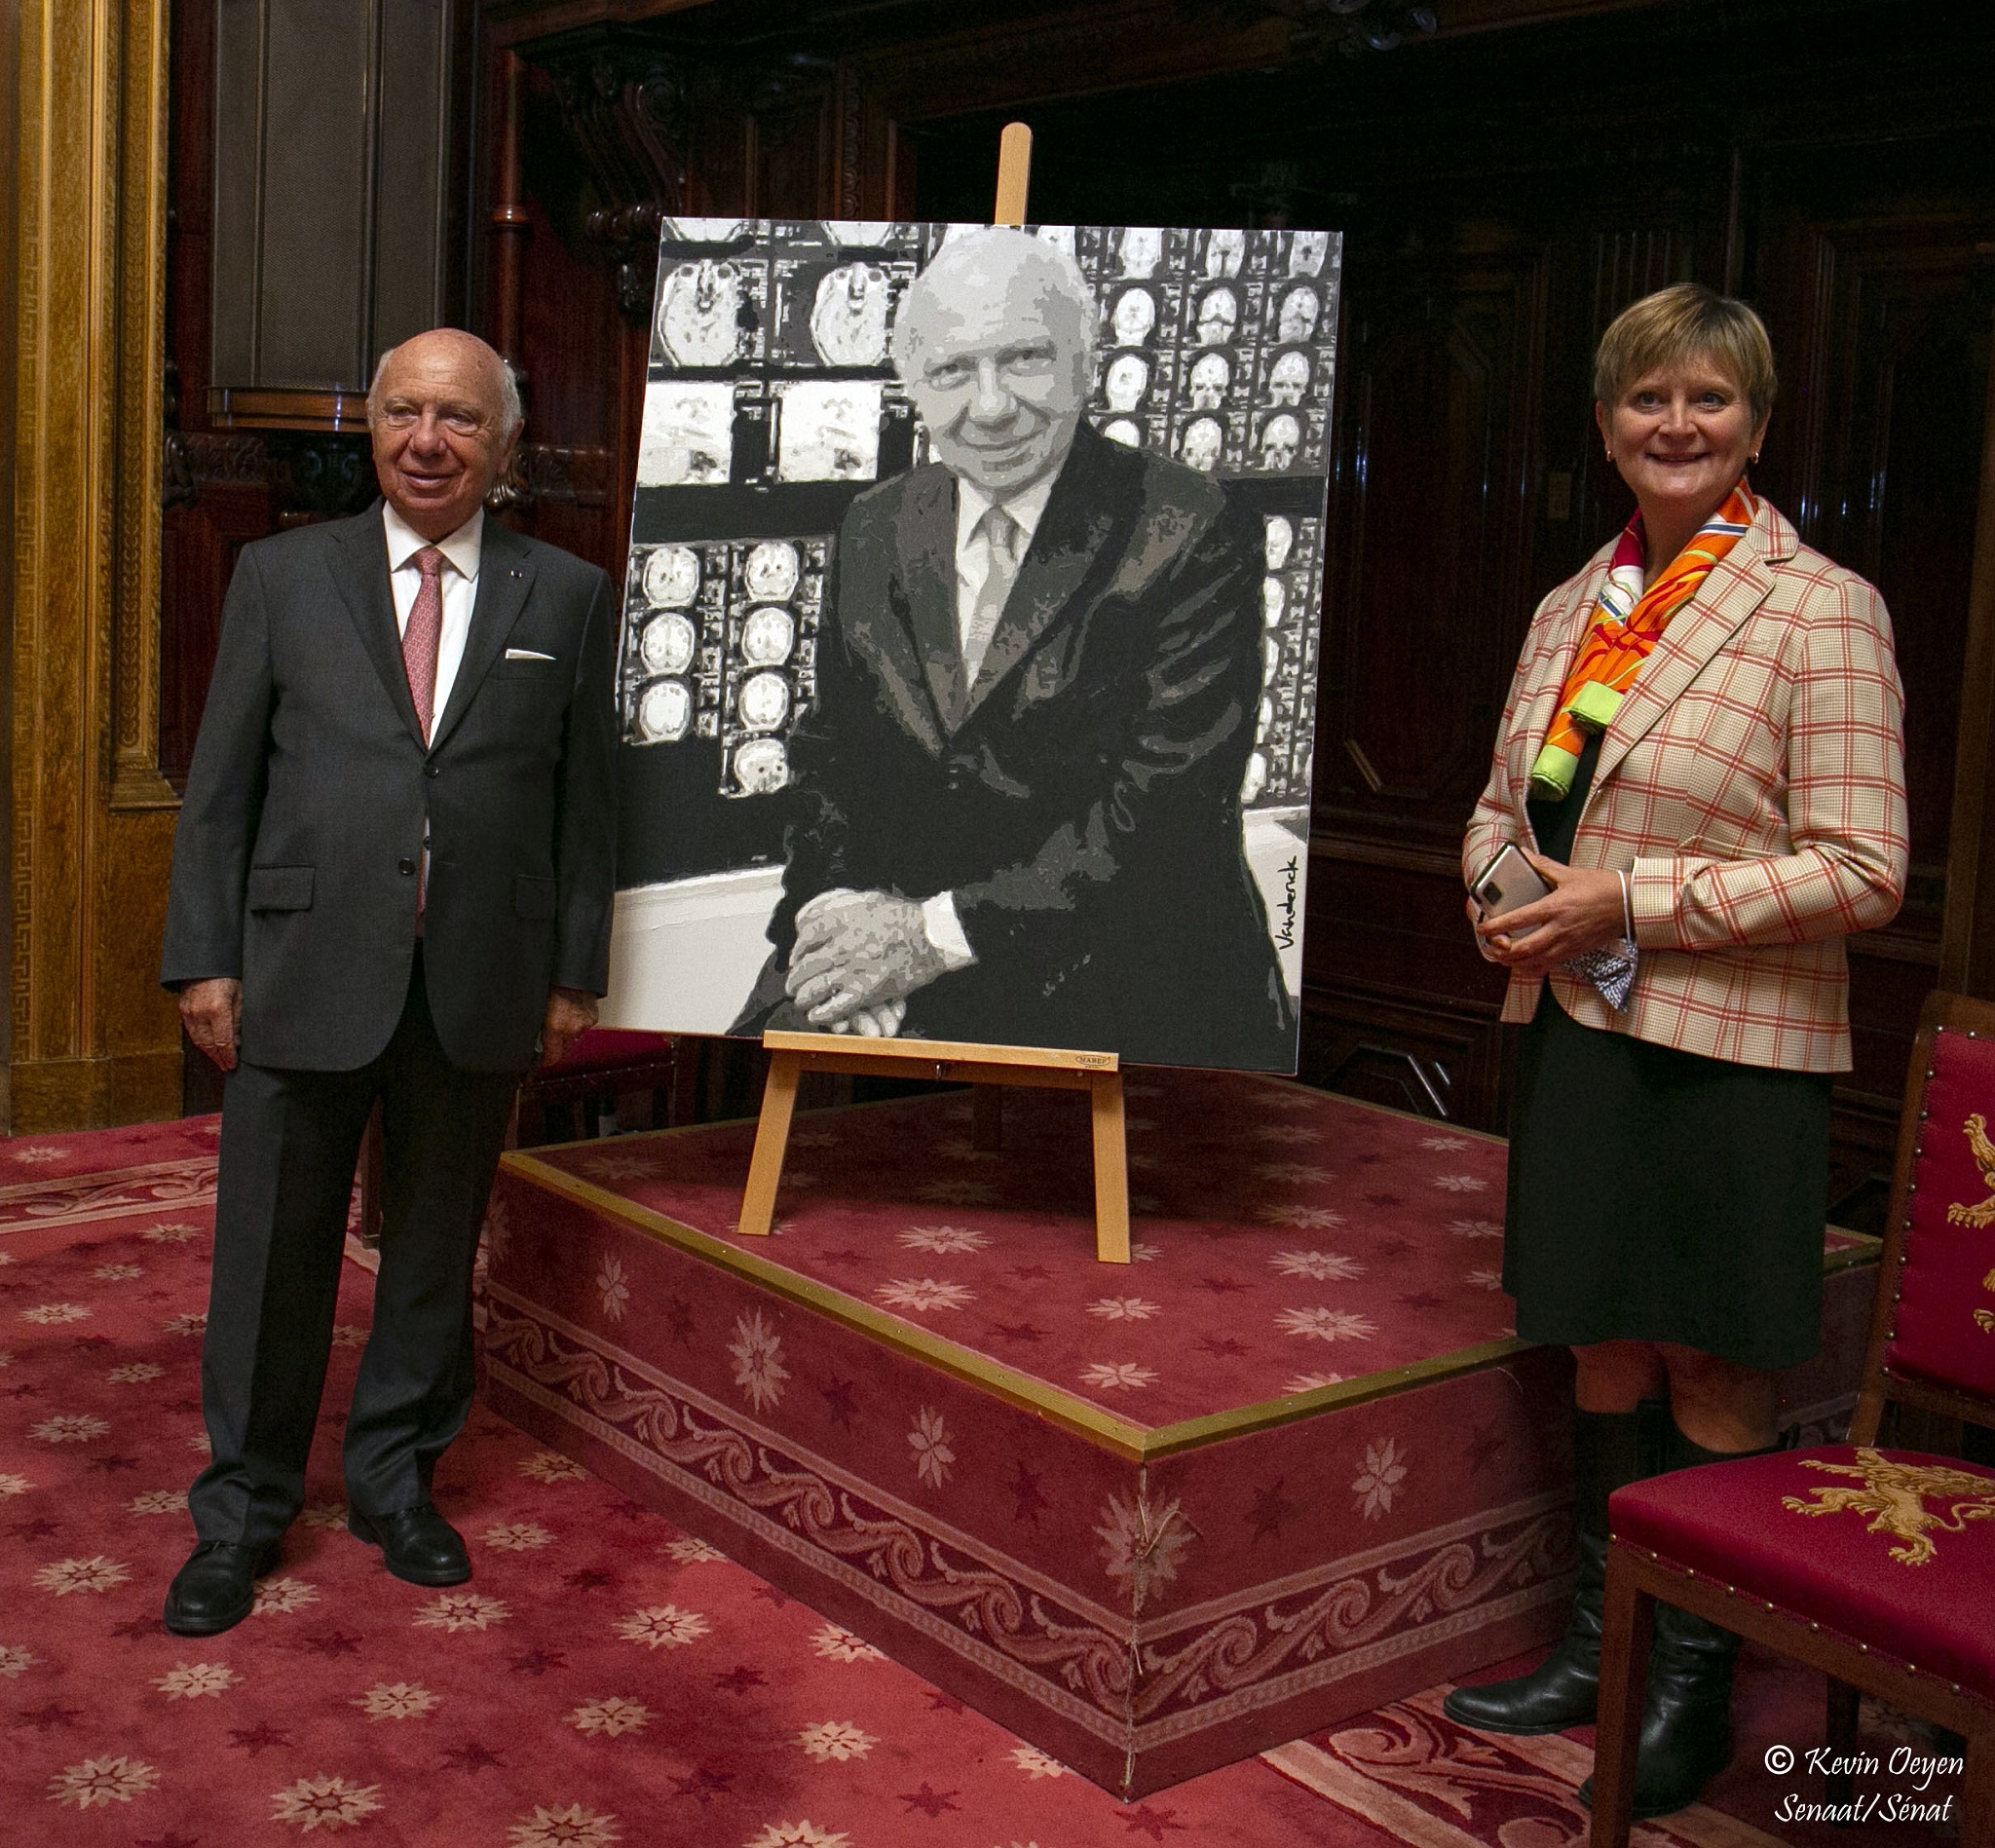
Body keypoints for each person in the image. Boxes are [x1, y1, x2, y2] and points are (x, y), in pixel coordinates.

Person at [1449, 285, 1907, 1815]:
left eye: (1709, 400)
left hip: (1734, 1050)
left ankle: (1687, 1689)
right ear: (1604, 424)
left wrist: (1632, 898)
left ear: (1758, 426)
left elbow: (1865, 866)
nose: (1677, 424)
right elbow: (1503, 803)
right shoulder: (1569, 599)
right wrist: (1501, 892)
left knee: (1709, 1359)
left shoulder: (1821, 604)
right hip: (1578, 1020)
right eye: (1648, 399)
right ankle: (1596, 1646)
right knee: (1599, 1336)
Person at [159, 328, 617, 1636]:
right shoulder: (280, 575)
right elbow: (223, 786)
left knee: (427, 1253)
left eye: (461, 419)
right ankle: (242, 1512)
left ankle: (392, 1484)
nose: (430, 439)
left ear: (506, 447)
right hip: (301, 970)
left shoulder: (566, 595)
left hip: (476, 982)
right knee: (268, 1260)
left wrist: (571, 971)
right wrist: (205, 955)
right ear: (371, 429)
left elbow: (590, 809)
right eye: (407, 411)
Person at [742, 227, 1291, 1068]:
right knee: (740, 1079)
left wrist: (926, 937)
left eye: (1025, 358)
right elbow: (831, 754)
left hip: (1122, 974)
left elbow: (1164, 812)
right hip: (902, 952)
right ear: (913, 387)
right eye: (953, 371)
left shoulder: (1190, 529)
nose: (990, 406)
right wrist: (831, 909)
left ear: (1083, 363)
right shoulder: (874, 524)